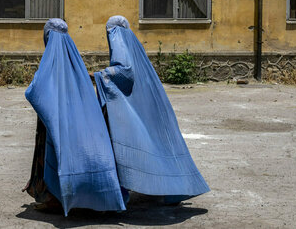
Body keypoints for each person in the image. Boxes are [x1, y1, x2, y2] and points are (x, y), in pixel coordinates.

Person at [93, 16, 210, 203]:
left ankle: (130, 190)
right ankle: (171, 187)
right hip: (146, 105)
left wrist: (100, 75)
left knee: (128, 144)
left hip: (128, 108)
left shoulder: (116, 35)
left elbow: (125, 71)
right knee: (153, 143)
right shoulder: (134, 45)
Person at [24, 18, 126, 216]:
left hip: (54, 121)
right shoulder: (73, 57)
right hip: (77, 122)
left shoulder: (51, 58)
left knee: (53, 155)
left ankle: (54, 199)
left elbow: (34, 91)